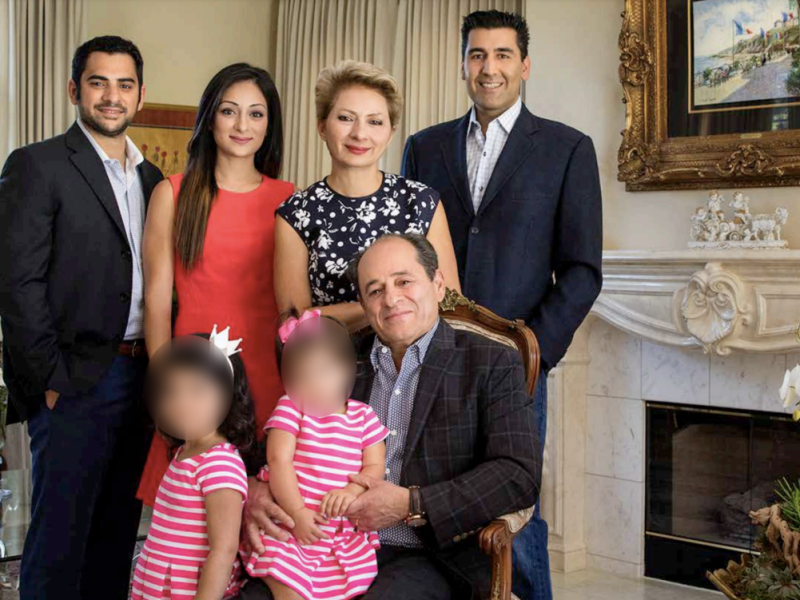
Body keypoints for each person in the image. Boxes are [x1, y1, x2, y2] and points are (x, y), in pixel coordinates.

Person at [401, 10, 602, 599]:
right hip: (430, 356)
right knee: (434, 499)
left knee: (515, 507)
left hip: (517, 364)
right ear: (464, 63)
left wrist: (530, 351)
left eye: (502, 55)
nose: (489, 68)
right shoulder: (424, 147)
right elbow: (413, 255)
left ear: (525, 65)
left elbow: (583, 271)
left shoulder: (568, 149)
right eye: (477, 55)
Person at [237, 233, 541, 600]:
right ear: (364, 305)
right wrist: (252, 490)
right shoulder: (338, 361)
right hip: (320, 544)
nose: (392, 299)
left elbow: (518, 475)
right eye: (375, 290)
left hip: (429, 553)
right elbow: (270, 447)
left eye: (404, 281)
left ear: (438, 284)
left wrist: (412, 504)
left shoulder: (490, 361)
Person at [0, 36, 162, 600]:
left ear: (140, 95)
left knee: (117, 535)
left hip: (143, 378)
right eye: (98, 82)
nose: (111, 97)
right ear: (75, 89)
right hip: (73, 381)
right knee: (59, 540)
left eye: (124, 85)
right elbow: (17, 285)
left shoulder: (153, 180)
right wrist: (50, 380)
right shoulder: (36, 165)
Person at [137, 63, 294, 507]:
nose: (243, 125)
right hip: (194, 373)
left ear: (270, 124)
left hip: (272, 372)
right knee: (191, 525)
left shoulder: (289, 197)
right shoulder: (173, 193)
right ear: (210, 119)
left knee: (267, 524)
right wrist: (166, 382)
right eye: (229, 111)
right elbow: (155, 303)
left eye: (256, 114)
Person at [274, 60, 460, 332]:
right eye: (346, 118)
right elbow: (296, 324)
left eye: (375, 121)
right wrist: (390, 305)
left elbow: (451, 303)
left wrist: (337, 313)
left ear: (390, 133)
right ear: (322, 126)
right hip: (332, 368)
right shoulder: (296, 214)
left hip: (419, 367)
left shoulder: (421, 202)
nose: (360, 133)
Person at [241, 310, 389, 600]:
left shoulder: (364, 416)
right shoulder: (292, 408)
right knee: (288, 585)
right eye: (299, 378)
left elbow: (375, 465)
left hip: (340, 533)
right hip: (290, 525)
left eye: (322, 372)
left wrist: (353, 489)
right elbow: (279, 461)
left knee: (347, 587)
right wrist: (296, 513)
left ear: (347, 370)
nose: (311, 385)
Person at [132, 330, 254, 600]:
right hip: (162, 586)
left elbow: (223, 550)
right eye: (172, 391)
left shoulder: (219, 463)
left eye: (197, 391)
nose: (182, 403)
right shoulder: (184, 451)